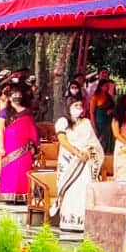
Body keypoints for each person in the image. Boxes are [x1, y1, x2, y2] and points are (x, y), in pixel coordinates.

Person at [53, 99, 103, 231]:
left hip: (85, 163)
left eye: (80, 105)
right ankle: (68, 222)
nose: (79, 107)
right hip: (69, 162)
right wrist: (77, 153)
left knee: (83, 191)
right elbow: (62, 141)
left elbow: (93, 142)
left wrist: (89, 151)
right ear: (68, 106)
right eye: (75, 105)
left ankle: (83, 222)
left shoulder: (86, 123)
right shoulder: (62, 122)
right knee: (70, 191)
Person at [0, 90, 38, 203]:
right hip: (9, 145)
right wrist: (0, 146)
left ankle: (24, 196)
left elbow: (32, 130)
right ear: (9, 97)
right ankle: (9, 196)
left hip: (25, 147)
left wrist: (33, 146)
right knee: (10, 170)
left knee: (23, 170)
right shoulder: (4, 112)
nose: (17, 96)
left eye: (19, 94)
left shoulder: (27, 112)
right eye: (14, 95)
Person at [91, 78, 116, 154]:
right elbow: (92, 112)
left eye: (108, 86)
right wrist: (94, 125)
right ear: (100, 86)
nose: (107, 87)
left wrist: (111, 111)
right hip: (100, 121)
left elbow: (114, 107)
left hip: (109, 120)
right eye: (105, 86)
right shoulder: (95, 97)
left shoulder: (109, 96)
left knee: (109, 138)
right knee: (101, 138)